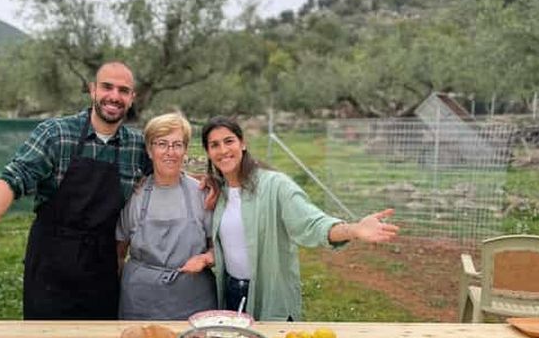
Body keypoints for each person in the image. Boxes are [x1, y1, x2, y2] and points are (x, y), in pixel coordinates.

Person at [0, 61, 148, 320]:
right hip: (51, 264)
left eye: (123, 90)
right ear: (92, 90)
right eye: (107, 87)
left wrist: (206, 184)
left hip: (102, 266)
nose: (114, 96)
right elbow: (15, 178)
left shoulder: (136, 145)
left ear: (131, 97)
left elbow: (166, 176)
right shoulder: (57, 133)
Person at [201, 116, 399, 321]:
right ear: (208, 152)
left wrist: (354, 230)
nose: (223, 150)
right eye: (214, 145)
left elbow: (312, 223)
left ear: (242, 144)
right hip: (231, 292)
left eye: (229, 141)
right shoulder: (219, 193)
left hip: (269, 294)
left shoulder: (276, 186)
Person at [116, 113, 217, 320]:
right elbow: (119, 252)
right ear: (149, 150)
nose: (170, 152)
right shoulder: (135, 195)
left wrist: (207, 258)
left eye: (177, 144)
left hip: (193, 300)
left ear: (185, 150)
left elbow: (220, 247)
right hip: (140, 301)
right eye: (162, 144)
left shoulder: (202, 193)